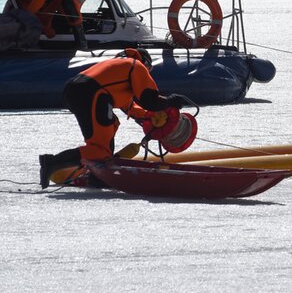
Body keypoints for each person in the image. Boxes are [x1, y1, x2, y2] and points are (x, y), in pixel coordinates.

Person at [38, 48, 189, 188]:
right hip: (93, 93)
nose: (147, 74)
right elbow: (149, 100)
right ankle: (53, 162)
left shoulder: (116, 68)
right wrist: (171, 101)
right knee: (100, 150)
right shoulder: (136, 65)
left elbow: (131, 107)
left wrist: (149, 116)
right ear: (145, 63)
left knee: (112, 124)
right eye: (148, 70)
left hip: (75, 91)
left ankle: (96, 175)